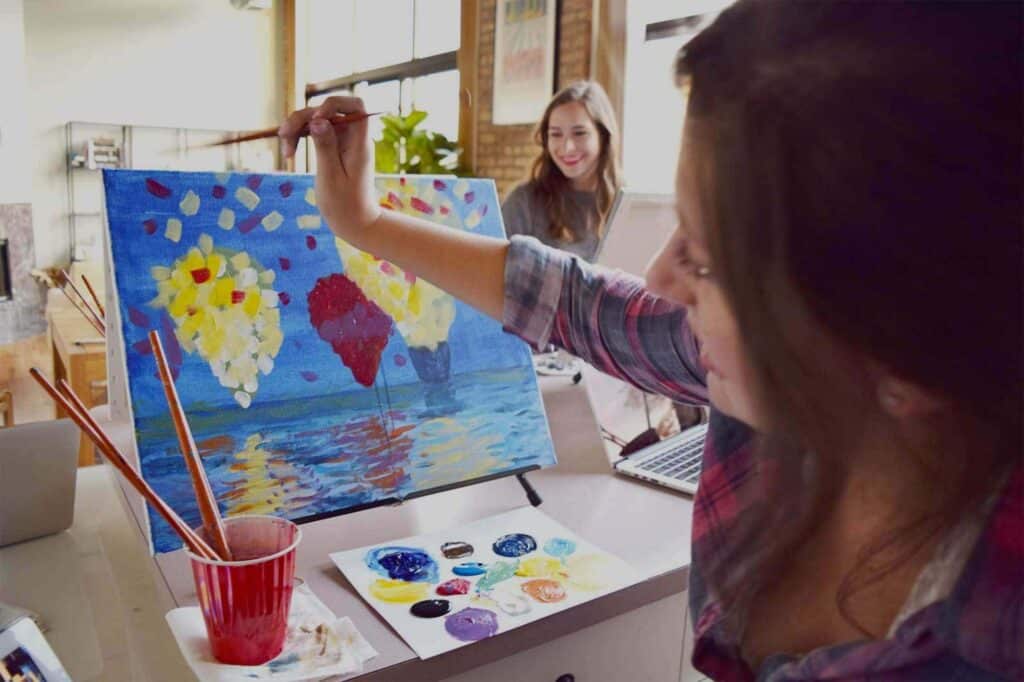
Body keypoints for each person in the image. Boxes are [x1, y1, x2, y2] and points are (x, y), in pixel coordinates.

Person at [280, 2, 1021, 678]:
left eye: (704, 256)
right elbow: (579, 301)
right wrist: (364, 223)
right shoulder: (786, 376)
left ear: (901, 350)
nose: (662, 279)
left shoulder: (975, 647)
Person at [501, 80, 623, 261]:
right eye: (556, 134)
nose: (567, 147)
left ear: (603, 136)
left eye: (580, 133)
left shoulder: (626, 203)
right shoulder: (523, 202)